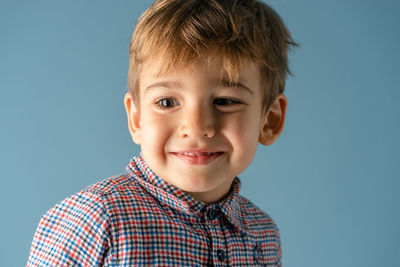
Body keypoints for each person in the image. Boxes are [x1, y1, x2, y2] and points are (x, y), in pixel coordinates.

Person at [27, 0, 296, 265]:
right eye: (167, 102)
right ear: (136, 118)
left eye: (225, 101)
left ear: (269, 120)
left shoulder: (263, 235)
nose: (196, 127)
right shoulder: (95, 219)